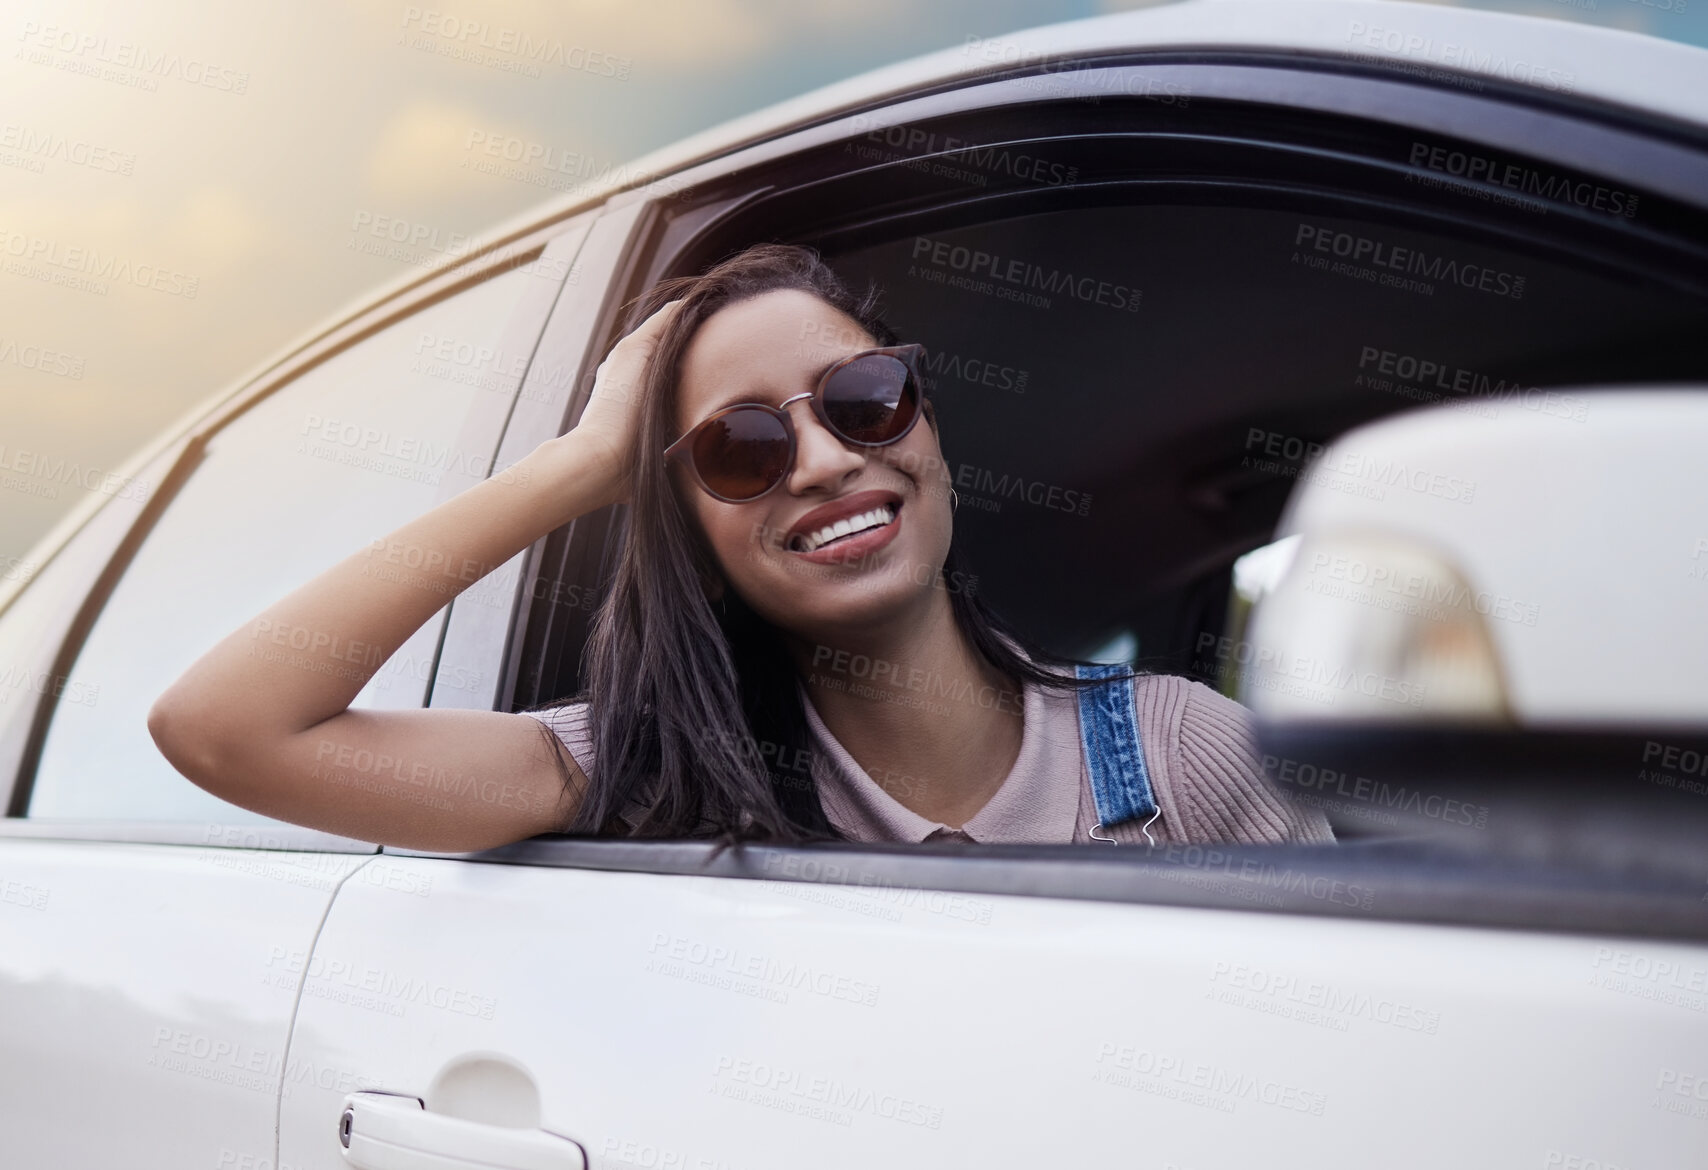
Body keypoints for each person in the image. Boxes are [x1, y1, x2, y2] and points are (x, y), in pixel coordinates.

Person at [149, 243, 1331, 854]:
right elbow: (225, 730)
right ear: (691, 537)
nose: (820, 462)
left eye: (865, 398)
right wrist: (574, 466)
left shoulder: (1189, 753)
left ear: (930, 427)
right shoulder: (640, 774)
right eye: (740, 448)